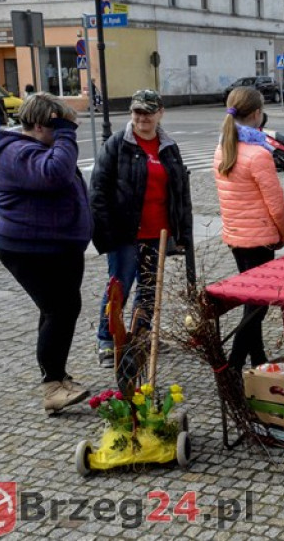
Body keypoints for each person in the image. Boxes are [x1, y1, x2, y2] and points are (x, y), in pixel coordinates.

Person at [0, 93, 91, 413]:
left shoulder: (38, 149)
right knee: (59, 310)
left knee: (58, 310)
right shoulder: (16, 152)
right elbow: (56, 174)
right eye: (56, 127)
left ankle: (57, 376)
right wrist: (66, 133)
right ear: (37, 124)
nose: (62, 135)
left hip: (56, 246)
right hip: (30, 249)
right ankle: (51, 387)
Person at [90, 89, 193, 365]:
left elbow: (180, 192)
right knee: (119, 288)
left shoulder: (168, 146)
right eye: (137, 112)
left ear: (160, 113)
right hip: (124, 233)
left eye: (148, 112)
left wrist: (182, 233)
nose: (142, 117)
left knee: (149, 289)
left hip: (157, 233)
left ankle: (141, 335)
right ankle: (107, 340)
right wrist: (105, 235)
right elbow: (98, 192)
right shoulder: (116, 144)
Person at [214, 86, 284, 369]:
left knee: (252, 300)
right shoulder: (259, 154)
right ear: (258, 114)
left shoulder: (223, 148)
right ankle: (233, 366)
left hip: (236, 237)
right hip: (259, 239)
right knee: (256, 307)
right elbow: (277, 204)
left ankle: (258, 359)